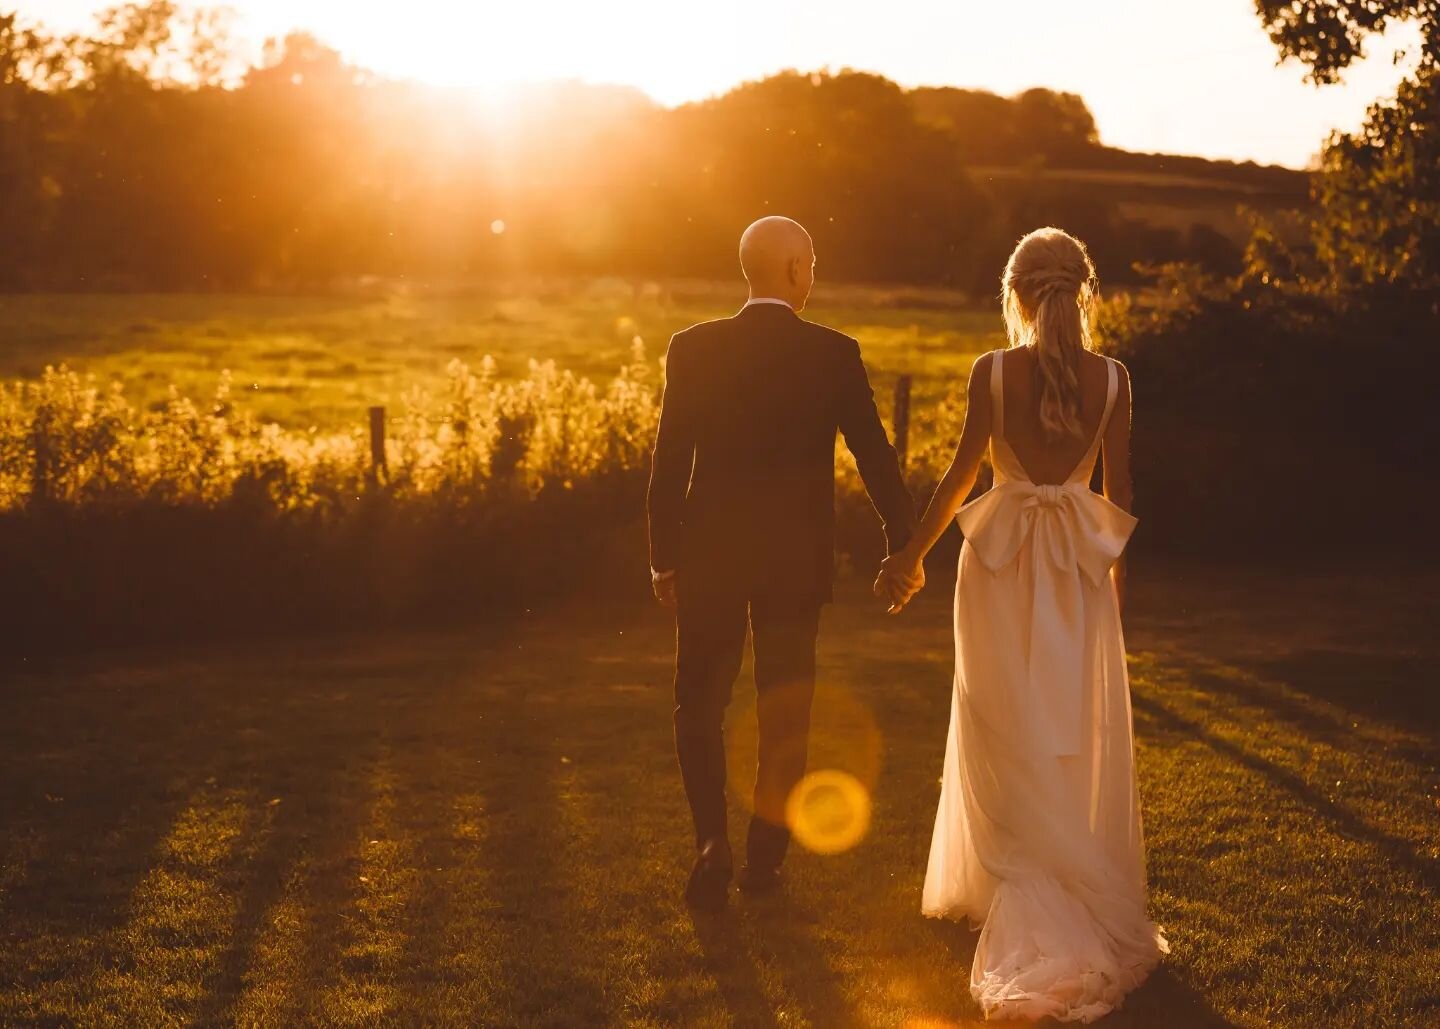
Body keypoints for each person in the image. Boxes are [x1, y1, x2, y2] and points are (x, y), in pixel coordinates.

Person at [875, 227, 1168, 1021]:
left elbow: (961, 472)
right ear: (1083, 288)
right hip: (1078, 568)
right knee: (1070, 723)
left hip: (998, 564)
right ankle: (1053, 870)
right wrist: (1119, 597)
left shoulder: (991, 372)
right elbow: (1122, 492)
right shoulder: (1114, 379)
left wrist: (911, 555)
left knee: (997, 720)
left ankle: (1014, 877)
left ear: (1015, 293)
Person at [647, 215, 916, 910]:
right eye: (813, 263)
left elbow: (669, 460)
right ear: (795, 270)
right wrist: (902, 539)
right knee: (785, 705)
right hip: (796, 558)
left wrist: (663, 556)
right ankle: (764, 857)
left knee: (698, 700)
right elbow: (874, 454)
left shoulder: (693, 348)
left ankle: (711, 842)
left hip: (710, 551)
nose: (813, 274)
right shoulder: (833, 353)